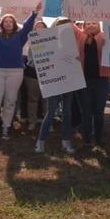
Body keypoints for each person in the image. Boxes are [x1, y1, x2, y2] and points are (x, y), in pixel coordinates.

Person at [0, 0, 41, 139]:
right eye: (5, 21)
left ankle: (6, 127)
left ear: (14, 24)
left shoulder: (20, 37)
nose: (8, 23)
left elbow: (28, 26)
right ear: (2, 24)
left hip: (15, 72)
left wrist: (34, 13)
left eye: (10, 21)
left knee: (10, 100)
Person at [35, 17, 83, 154]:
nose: (65, 28)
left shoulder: (74, 41)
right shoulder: (47, 41)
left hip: (69, 80)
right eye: (61, 25)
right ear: (55, 27)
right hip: (53, 81)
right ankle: (40, 142)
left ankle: (66, 142)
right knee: (51, 112)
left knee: (67, 112)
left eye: (68, 25)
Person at [75, 20, 110, 148]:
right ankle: (87, 139)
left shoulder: (106, 36)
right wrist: (66, 2)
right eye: (88, 23)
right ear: (84, 26)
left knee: (99, 111)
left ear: (99, 25)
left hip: (102, 80)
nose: (91, 25)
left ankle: (98, 138)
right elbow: (69, 22)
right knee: (86, 110)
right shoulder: (79, 36)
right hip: (83, 80)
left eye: (94, 23)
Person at [22, 21, 48, 133]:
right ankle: (32, 121)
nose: (40, 28)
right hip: (32, 72)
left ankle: (47, 122)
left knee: (46, 99)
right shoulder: (28, 40)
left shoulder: (51, 40)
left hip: (48, 72)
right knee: (33, 98)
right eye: (37, 26)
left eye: (42, 26)